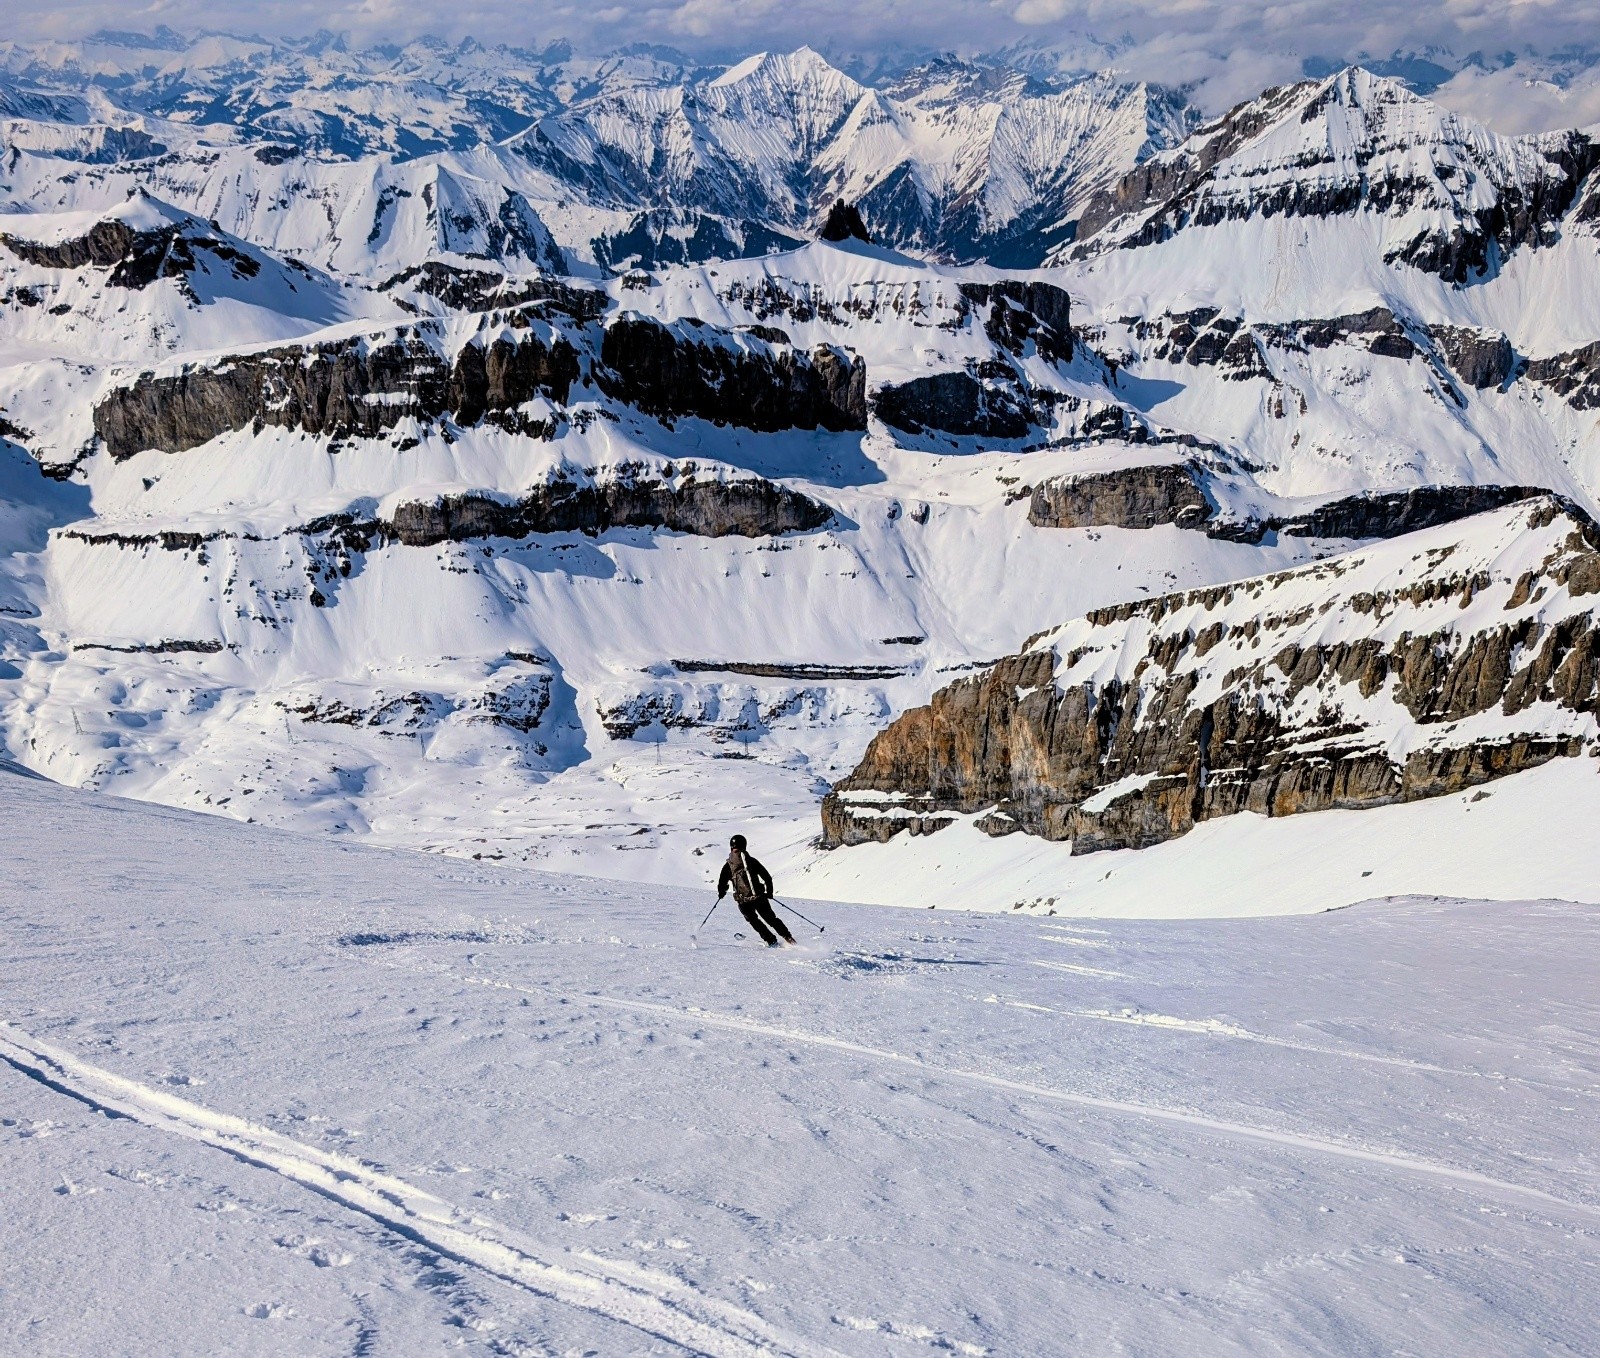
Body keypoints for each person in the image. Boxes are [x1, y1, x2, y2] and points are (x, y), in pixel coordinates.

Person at [717, 835, 795, 946]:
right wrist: (769, 893)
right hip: (759, 897)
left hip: (743, 901)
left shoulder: (729, 865)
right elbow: (767, 877)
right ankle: (789, 938)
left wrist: (722, 893)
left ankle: (770, 940)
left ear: (731, 847)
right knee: (771, 919)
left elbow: (721, 883)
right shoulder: (751, 861)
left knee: (754, 921)